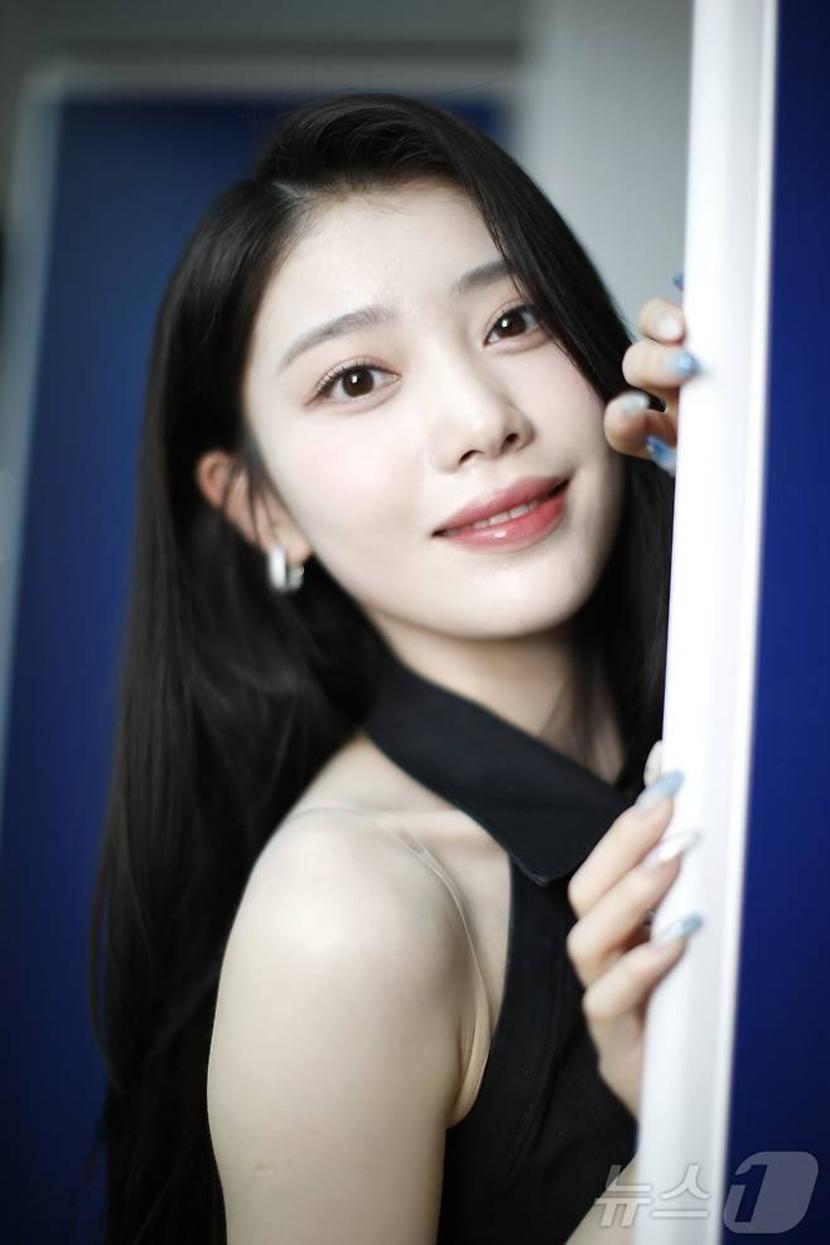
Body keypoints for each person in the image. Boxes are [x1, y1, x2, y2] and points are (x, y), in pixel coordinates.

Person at [87, 90, 699, 1244]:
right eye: (356, 380)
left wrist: (769, 468)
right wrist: (692, 1135)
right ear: (262, 507)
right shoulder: (346, 915)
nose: (479, 419)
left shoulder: (722, 731)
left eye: (513, 320)